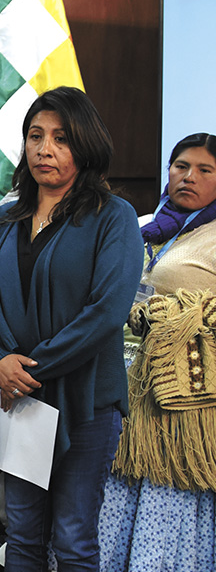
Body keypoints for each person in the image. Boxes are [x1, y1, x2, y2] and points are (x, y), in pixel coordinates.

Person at [0, 86, 140, 572]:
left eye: (61, 138)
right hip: (19, 402)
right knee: (21, 535)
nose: (45, 149)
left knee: (73, 539)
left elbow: (107, 311)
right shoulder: (5, 218)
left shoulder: (114, 217)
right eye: (35, 136)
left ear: (84, 143)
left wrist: (26, 369)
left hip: (86, 402)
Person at [100, 133, 216, 571]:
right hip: (120, 378)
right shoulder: (141, 222)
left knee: (167, 492)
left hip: (181, 399)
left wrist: (181, 313)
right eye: (181, 166)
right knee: (113, 487)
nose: (189, 177)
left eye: (205, 170)